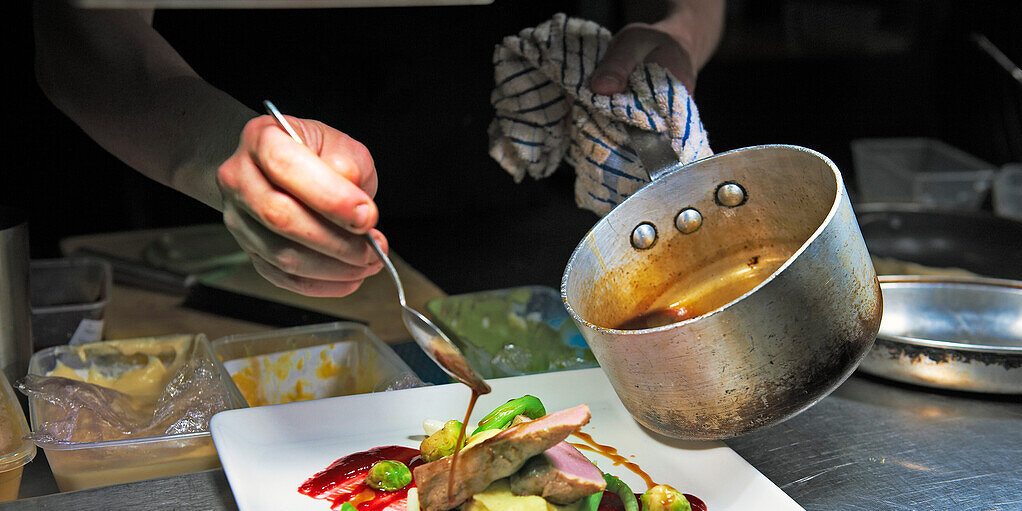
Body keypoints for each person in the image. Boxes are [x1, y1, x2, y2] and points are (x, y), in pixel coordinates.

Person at [33, 0, 725, 297]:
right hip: (215, 231)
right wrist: (221, 158)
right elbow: (83, 45)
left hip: (515, 198)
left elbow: (697, 5)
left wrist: (681, 36)